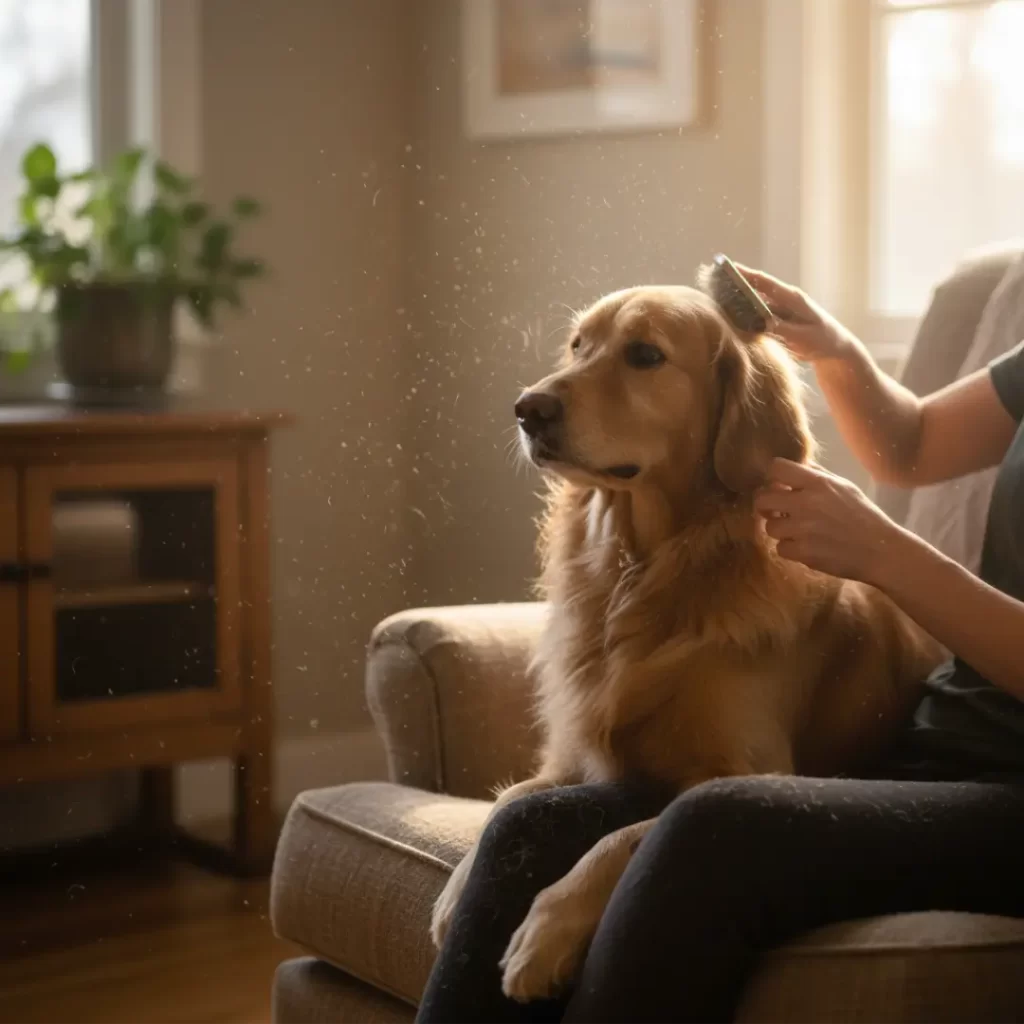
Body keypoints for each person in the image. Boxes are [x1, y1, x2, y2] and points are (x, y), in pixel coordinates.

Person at [414, 267, 1024, 1024]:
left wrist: (883, 555)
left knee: (712, 827)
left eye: (640, 358)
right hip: (933, 753)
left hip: (1009, 794)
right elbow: (913, 444)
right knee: (530, 824)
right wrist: (829, 347)